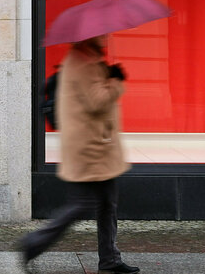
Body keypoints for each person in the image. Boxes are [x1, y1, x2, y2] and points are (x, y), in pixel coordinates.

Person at [20, 35, 139, 274]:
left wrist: (107, 74)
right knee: (82, 205)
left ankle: (110, 260)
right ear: (91, 36)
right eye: (102, 34)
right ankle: (34, 243)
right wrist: (115, 81)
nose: (106, 37)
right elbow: (97, 101)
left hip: (97, 146)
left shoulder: (87, 58)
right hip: (90, 149)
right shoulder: (83, 62)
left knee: (107, 203)